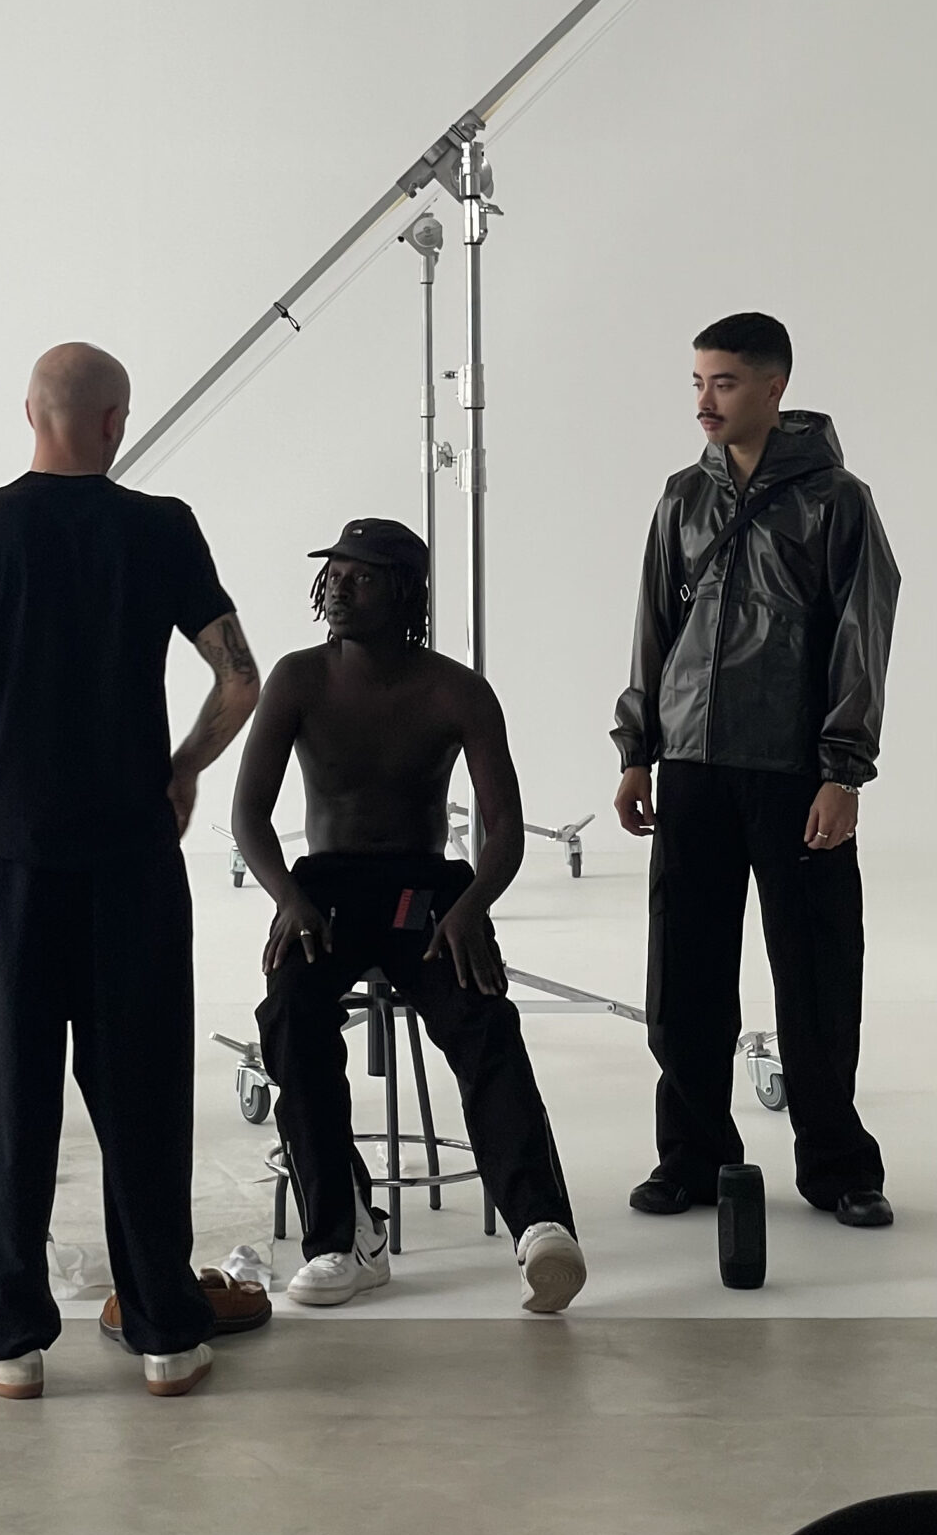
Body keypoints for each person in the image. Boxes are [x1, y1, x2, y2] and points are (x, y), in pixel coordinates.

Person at [0, 342, 260, 1402]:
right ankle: (166, 1335)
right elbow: (240, 678)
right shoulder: (163, 526)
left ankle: (6, 1345)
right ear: (114, 423)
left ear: (29, 415)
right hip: (133, 859)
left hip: (10, 860)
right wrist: (183, 768)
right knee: (143, 1093)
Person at [233, 518, 584, 1316]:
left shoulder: (454, 690)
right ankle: (346, 1233)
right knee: (289, 1016)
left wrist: (470, 907)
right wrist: (288, 897)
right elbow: (249, 814)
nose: (339, 589)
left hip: (424, 891)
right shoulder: (298, 679)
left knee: (483, 1019)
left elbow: (503, 827)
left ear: (405, 593)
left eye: (361, 577)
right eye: (334, 575)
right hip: (324, 890)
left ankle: (540, 1226)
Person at [614, 313, 899, 1227]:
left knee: (816, 974)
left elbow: (862, 636)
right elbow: (655, 625)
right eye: (698, 381)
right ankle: (692, 1158)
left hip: (793, 770)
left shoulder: (837, 501)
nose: (705, 400)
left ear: (774, 388)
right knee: (684, 974)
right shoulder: (681, 497)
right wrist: (637, 751)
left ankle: (838, 1166)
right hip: (692, 766)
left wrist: (842, 771)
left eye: (725, 382)